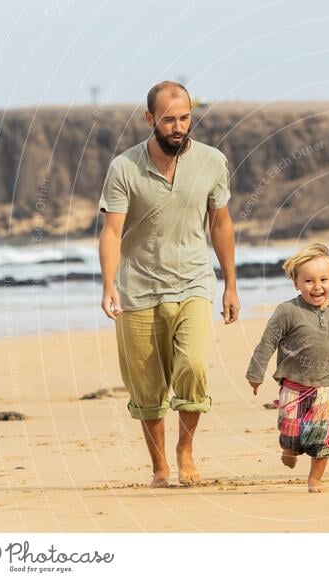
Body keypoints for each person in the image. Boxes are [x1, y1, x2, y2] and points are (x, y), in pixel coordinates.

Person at [98, 80, 240, 488]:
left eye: (185, 118)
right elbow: (111, 232)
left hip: (194, 282)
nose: (179, 127)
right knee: (147, 388)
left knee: (193, 365)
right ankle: (160, 465)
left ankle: (185, 450)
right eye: (169, 119)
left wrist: (230, 283)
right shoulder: (124, 167)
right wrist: (109, 285)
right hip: (138, 288)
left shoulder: (213, 162)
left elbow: (222, 223)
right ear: (150, 119)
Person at [246, 243, 329, 493]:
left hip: (325, 385)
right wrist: (255, 374)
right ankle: (289, 448)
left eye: (323, 279)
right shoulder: (287, 311)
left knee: (321, 436)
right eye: (308, 281)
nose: (317, 286)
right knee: (291, 433)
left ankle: (315, 479)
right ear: (296, 283)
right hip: (292, 384)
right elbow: (267, 343)